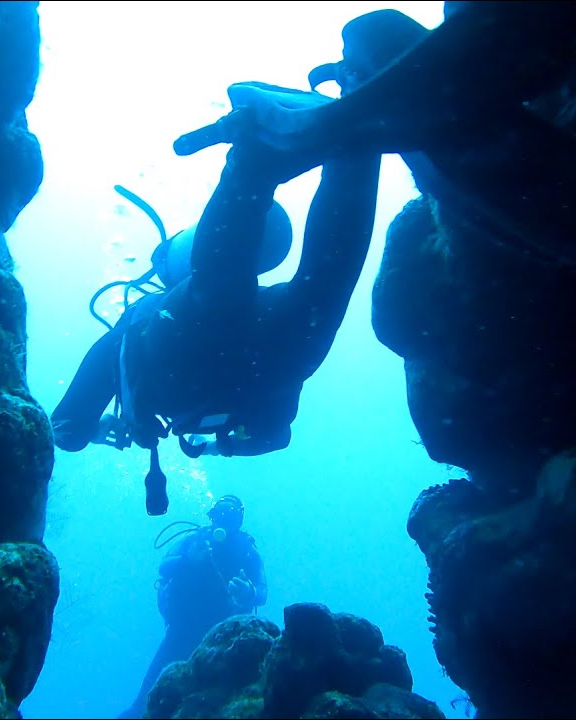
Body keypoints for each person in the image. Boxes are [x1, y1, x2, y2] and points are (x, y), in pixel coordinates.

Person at [51, 67, 382, 516]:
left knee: (323, 282)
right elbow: (277, 436)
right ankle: (342, 136)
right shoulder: (151, 317)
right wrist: (211, 447)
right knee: (259, 287)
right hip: (262, 359)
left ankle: (351, 150)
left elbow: (65, 429)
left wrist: (102, 428)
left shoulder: (135, 320)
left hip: (259, 361)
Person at [119, 495, 267, 719]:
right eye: (220, 517)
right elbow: (164, 567)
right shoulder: (194, 541)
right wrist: (189, 559)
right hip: (184, 627)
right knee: (146, 700)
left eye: (231, 519)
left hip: (225, 637)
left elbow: (262, 592)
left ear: (239, 522)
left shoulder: (248, 551)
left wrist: (249, 592)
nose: (223, 524)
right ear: (212, 517)